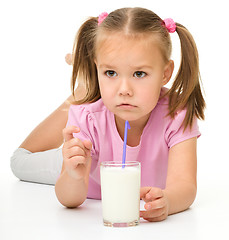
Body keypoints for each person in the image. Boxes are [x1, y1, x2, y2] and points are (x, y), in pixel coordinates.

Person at [11, 7, 205, 222]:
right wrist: (73, 175)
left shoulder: (177, 113)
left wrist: (168, 201)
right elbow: (70, 199)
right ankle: (84, 89)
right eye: (110, 73)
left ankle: (90, 86)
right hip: (77, 160)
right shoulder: (87, 118)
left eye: (139, 74)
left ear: (165, 73)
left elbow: (185, 185)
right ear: (98, 68)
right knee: (19, 161)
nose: (124, 89)